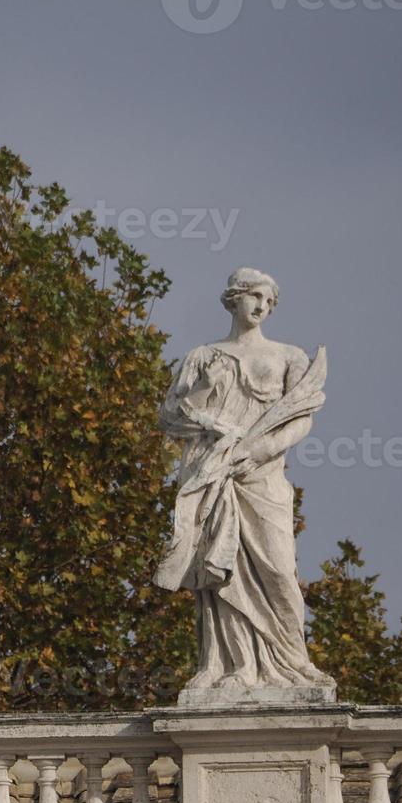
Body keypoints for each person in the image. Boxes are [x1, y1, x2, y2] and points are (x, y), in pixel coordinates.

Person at [155, 269, 334, 693]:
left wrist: (260, 451)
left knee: (278, 570)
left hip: (263, 478)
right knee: (219, 572)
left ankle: (293, 660)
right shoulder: (204, 356)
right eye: (254, 296)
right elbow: (171, 414)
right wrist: (207, 419)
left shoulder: (289, 357)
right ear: (233, 299)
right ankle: (224, 664)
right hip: (214, 474)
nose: (261, 306)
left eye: (268, 301)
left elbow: (300, 419)